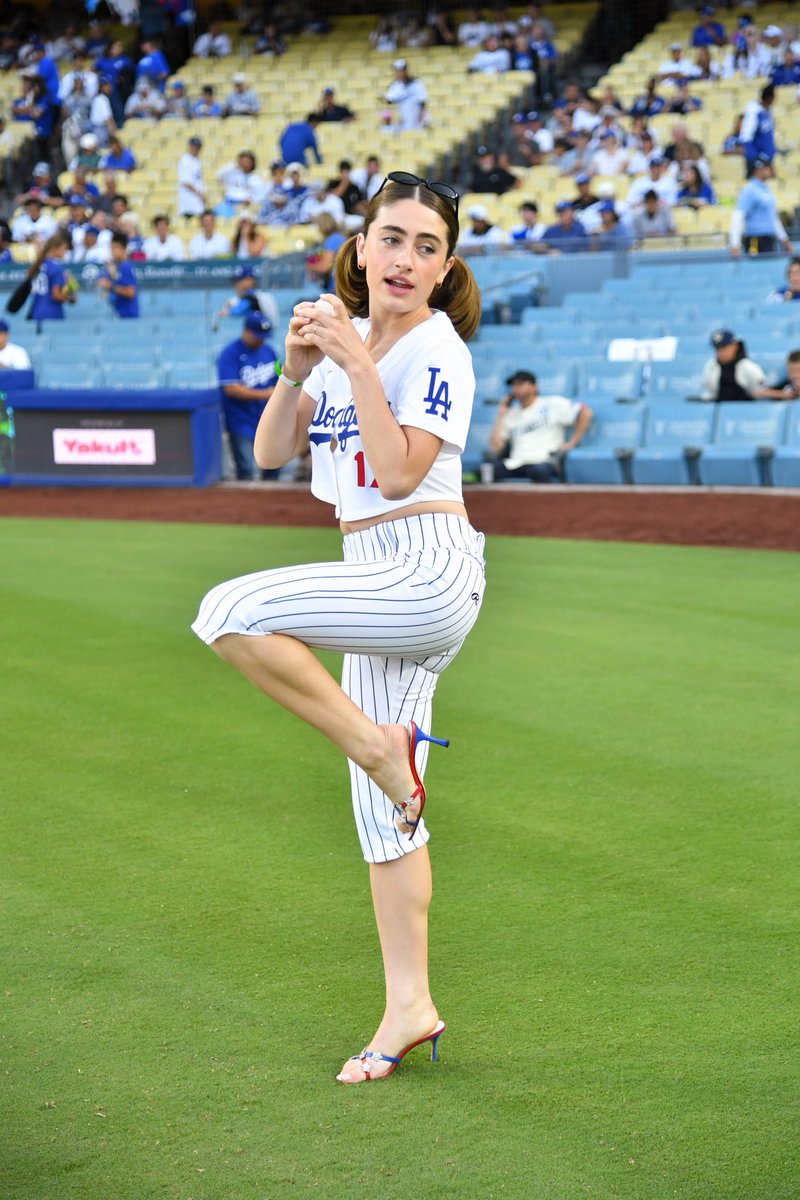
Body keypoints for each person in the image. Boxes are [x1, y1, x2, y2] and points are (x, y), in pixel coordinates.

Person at [191, 171, 485, 1084]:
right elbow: (274, 451)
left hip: (426, 567)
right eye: (390, 238)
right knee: (385, 819)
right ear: (361, 248)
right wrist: (297, 365)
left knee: (229, 610)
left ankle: (374, 744)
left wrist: (356, 364)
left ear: (443, 269)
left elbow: (398, 477)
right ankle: (410, 1008)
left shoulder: (439, 351)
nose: (404, 258)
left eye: (425, 246)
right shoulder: (348, 339)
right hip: (374, 577)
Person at [485, 369, 592, 482]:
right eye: (514, 386)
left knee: (540, 472)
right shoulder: (510, 413)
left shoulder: (551, 403)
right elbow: (495, 448)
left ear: (534, 387)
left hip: (543, 462)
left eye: (520, 384)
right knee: (484, 472)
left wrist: (572, 442)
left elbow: (585, 412)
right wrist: (501, 414)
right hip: (515, 463)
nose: (516, 389)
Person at [215, 311, 281, 481]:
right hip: (241, 420)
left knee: (273, 464)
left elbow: (280, 378)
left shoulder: (269, 351)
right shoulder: (229, 353)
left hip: (267, 419)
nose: (261, 339)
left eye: (263, 336)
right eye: (258, 335)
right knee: (245, 468)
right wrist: (264, 394)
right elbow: (230, 388)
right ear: (246, 331)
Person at [730, 154, 793, 258]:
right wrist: (735, 243)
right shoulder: (749, 190)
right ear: (758, 169)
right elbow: (738, 215)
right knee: (756, 270)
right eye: (766, 166)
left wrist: (784, 239)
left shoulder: (766, 189)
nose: (770, 169)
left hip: (768, 238)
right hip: (755, 239)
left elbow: (772, 217)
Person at [701, 330, 765, 402]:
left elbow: (760, 392)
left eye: (724, 348)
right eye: (718, 349)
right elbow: (710, 393)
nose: (721, 353)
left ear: (735, 346)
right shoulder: (711, 366)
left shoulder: (748, 366)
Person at [29, 231, 79, 321]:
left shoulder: (39, 265)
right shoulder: (56, 267)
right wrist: (71, 298)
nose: (65, 252)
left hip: (36, 312)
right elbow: (56, 295)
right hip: (52, 313)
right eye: (64, 248)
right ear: (55, 248)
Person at [215, 264, 279, 331]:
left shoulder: (253, 296)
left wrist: (227, 312)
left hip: (265, 332)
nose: (236, 285)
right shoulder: (260, 295)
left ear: (250, 281)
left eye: (238, 281)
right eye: (234, 282)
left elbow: (241, 308)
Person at [97, 231, 139, 318]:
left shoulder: (126, 266)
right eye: (111, 248)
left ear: (123, 248)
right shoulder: (117, 266)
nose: (112, 251)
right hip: (120, 315)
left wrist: (109, 286)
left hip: (129, 317)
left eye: (115, 248)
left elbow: (130, 292)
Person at [740, 85, 776, 176]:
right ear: (769, 97)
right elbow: (746, 137)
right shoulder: (754, 112)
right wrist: (756, 157)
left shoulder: (768, 111)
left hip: (767, 157)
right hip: (758, 159)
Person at [385, 60, 428, 130]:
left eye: (400, 71)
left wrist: (421, 116)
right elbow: (389, 100)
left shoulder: (416, 84)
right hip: (404, 118)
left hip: (417, 117)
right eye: (396, 71)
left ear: (405, 71)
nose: (397, 73)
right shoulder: (395, 86)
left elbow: (423, 101)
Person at [177, 136, 206, 217]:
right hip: (189, 202)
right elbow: (186, 182)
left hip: (196, 203)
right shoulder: (186, 160)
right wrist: (200, 194)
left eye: (198, 147)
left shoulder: (196, 160)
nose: (196, 149)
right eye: (194, 146)